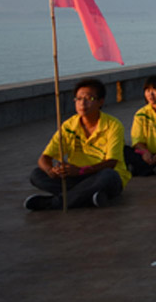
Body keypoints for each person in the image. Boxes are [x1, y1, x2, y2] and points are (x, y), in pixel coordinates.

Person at [25, 79, 130, 211]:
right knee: (37, 174)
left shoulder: (113, 125)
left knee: (109, 175)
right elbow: (44, 158)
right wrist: (51, 171)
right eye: (78, 99)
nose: (82, 103)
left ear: (101, 101)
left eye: (89, 98)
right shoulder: (69, 125)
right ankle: (88, 198)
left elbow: (111, 162)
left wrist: (81, 170)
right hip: (75, 178)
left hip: (100, 175)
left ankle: (55, 202)